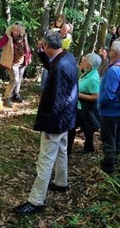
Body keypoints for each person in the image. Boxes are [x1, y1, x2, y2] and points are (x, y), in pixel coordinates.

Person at [14, 30, 78, 215]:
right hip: (67, 118)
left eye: (44, 47)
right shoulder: (67, 56)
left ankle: (36, 201)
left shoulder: (60, 67)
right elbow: (52, 66)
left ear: (50, 46)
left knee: (46, 158)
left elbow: (57, 100)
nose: (44, 48)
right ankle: (61, 182)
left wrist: (50, 126)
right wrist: (42, 54)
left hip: (57, 120)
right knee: (62, 150)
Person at [97, 41, 120, 174]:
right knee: (117, 136)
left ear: (114, 53)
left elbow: (108, 95)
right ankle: (117, 159)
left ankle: (109, 166)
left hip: (110, 112)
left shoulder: (114, 70)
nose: (108, 51)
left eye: (110, 50)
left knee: (108, 138)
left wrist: (100, 104)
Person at [68, 53, 101, 156]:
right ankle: (87, 147)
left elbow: (96, 96)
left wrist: (78, 94)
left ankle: (68, 150)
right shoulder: (87, 73)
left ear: (89, 64)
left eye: (84, 60)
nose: (82, 62)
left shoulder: (93, 78)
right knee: (84, 129)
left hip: (83, 109)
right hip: (79, 106)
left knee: (74, 128)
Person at [0, 22, 32, 107]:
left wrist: (29, 57)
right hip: (12, 63)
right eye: (14, 29)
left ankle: (15, 95)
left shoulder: (23, 37)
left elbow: (27, 48)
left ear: (21, 31)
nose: (15, 31)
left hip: (22, 62)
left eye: (18, 30)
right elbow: (0, 43)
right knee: (14, 80)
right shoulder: (8, 36)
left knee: (19, 79)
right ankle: (7, 97)